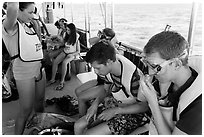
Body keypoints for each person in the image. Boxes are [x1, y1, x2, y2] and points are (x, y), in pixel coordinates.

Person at [74, 41, 149, 135]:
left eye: (97, 68)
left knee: (89, 134)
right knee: (79, 125)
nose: (96, 72)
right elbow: (106, 89)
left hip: (134, 113)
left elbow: (144, 106)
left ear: (109, 62)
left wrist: (115, 111)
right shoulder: (108, 69)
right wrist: (95, 104)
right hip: (117, 104)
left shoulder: (134, 78)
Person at [139, 31, 202, 134]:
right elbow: (140, 99)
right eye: (146, 63)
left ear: (177, 64)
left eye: (155, 67)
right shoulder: (166, 80)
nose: (150, 72)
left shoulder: (198, 107)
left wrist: (153, 103)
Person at [2, 2, 46, 134]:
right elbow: (13, 7)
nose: (33, 15)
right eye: (30, 12)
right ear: (19, 11)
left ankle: (39, 128)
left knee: (39, 104)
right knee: (25, 109)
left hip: (39, 68)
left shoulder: (30, 25)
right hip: (24, 71)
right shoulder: (10, 27)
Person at [47, 23, 80, 90]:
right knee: (55, 62)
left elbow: (78, 51)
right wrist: (55, 43)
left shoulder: (76, 37)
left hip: (72, 54)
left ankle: (62, 81)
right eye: (67, 30)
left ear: (72, 30)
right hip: (65, 52)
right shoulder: (66, 35)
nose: (67, 32)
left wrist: (72, 54)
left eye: (68, 30)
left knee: (64, 63)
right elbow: (63, 43)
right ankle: (52, 79)